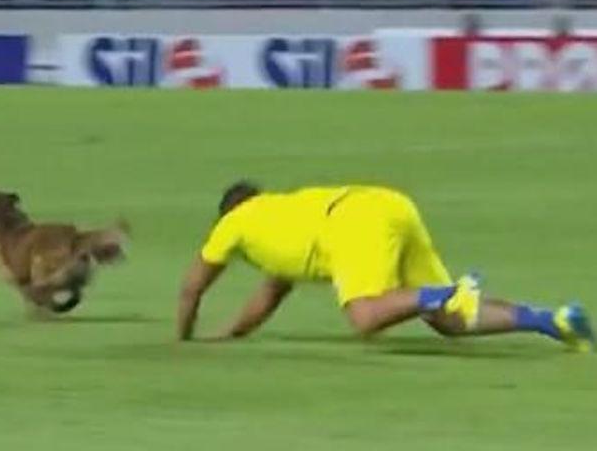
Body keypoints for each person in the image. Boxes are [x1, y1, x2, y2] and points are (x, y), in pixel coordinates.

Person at [177, 181, 594, 352]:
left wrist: (183, 341)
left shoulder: (232, 223)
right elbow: (268, 295)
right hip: (390, 203)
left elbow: (191, 287)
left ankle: (448, 292)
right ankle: (553, 321)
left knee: (365, 317)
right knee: (450, 322)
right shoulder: (279, 216)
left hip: (351, 221)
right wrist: (229, 336)